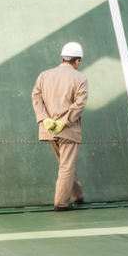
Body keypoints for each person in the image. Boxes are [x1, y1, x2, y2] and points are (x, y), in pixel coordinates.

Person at [32, 42, 88, 211]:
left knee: (65, 164)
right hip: (68, 130)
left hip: (48, 130)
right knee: (66, 166)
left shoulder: (44, 75)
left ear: (63, 58)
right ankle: (61, 203)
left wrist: (45, 119)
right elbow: (79, 104)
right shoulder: (80, 78)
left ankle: (77, 195)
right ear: (77, 61)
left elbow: (36, 98)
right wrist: (64, 121)